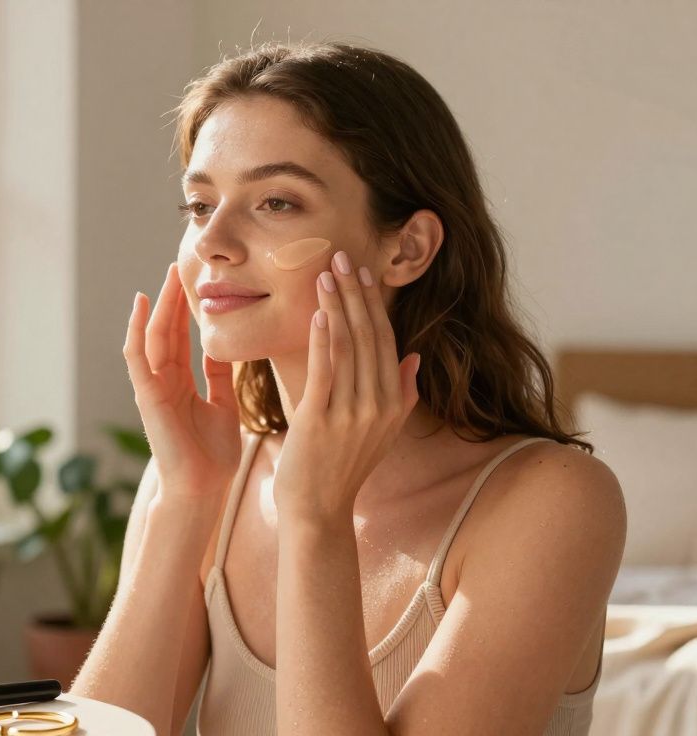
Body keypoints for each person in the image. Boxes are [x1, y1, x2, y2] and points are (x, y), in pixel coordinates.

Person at [70, 40, 626, 736]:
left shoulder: (551, 502)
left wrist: (315, 520)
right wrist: (184, 502)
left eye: (276, 201)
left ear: (407, 248)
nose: (212, 240)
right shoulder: (205, 474)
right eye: (199, 203)